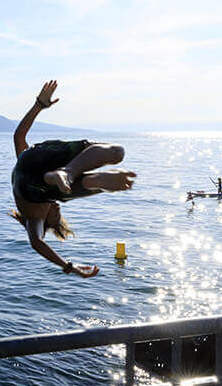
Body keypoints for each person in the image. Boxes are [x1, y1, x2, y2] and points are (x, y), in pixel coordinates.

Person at [8, 79, 134, 276]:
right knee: (118, 152)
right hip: (36, 156)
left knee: (55, 189)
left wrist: (68, 267)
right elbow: (18, 137)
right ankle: (83, 177)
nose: (58, 210)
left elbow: (37, 242)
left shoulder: (34, 218)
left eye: (57, 217)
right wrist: (38, 106)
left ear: (48, 222)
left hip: (33, 173)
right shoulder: (40, 195)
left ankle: (78, 177)